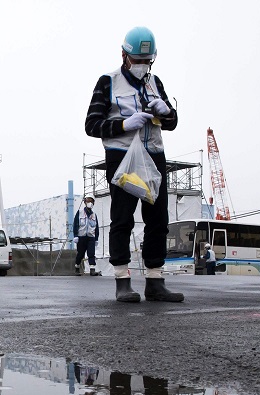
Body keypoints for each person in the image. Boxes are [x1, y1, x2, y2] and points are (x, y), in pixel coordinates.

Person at [84, 26, 184, 303]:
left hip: (153, 156)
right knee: (123, 218)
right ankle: (122, 280)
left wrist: (168, 113)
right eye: (137, 60)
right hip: (123, 157)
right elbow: (92, 125)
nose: (141, 65)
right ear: (124, 55)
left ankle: (155, 280)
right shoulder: (108, 82)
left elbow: (172, 124)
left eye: (146, 61)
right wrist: (124, 124)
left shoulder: (155, 83)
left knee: (158, 219)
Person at [73, 196, 101, 276]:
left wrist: (96, 239)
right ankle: (77, 267)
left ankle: (92, 269)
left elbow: (96, 227)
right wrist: (75, 235)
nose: (90, 203)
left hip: (91, 237)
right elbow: (76, 224)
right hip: (81, 236)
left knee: (91, 253)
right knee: (81, 254)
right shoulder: (80, 212)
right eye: (88, 201)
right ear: (85, 202)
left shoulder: (94, 215)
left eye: (92, 201)